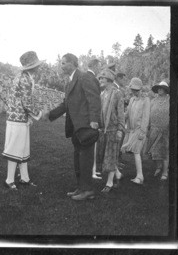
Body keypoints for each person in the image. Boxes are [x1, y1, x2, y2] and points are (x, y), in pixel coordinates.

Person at [43, 53, 101, 201]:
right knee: (78, 159)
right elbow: (65, 104)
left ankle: (88, 190)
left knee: (86, 159)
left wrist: (94, 120)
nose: (61, 66)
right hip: (75, 127)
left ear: (73, 63)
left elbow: (94, 99)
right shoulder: (69, 82)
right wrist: (50, 115)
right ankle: (81, 188)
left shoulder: (85, 77)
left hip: (86, 126)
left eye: (63, 63)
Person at [2, 51, 45, 191]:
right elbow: (26, 102)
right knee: (15, 147)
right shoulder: (24, 79)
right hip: (17, 118)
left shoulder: (25, 77)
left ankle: (24, 178)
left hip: (20, 117)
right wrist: (39, 114)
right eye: (37, 65)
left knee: (23, 148)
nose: (39, 67)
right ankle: (9, 179)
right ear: (31, 67)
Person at [95, 69, 125, 193]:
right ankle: (117, 174)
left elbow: (121, 113)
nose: (100, 81)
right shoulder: (102, 94)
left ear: (109, 80)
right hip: (103, 130)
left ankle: (109, 182)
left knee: (111, 156)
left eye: (102, 78)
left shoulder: (117, 93)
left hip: (113, 129)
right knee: (104, 155)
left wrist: (120, 129)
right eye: (100, 78)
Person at [121, 77, 150, 185]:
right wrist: (120, 118)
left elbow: (146, 117)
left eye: (136, 90)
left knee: (136, 152)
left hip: (139, 130)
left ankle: (140, 176)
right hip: (131, 130)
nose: (134, 91)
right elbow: (127, 114)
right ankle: (138, 175)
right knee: (134, 152)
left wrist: (143, 132)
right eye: (133, 89)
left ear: (140, 89)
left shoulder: (145, 100)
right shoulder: (132, 99)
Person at [146, 81, 170, 181]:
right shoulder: (153, 101)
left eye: (162, 88)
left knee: (165, 151)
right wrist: (147, 127)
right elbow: (148, 115)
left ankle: (165, 172)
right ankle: (158, 167)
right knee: (154, 150)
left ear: (166, 90)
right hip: (154, 129)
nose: (160, 89)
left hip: (166, 130)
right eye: (158, 88)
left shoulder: (170, 100)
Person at [87, 58, 102, 180]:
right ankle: (92, 171)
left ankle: (93, 170)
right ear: (95, 66)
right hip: (91, 119)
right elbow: (94, 101)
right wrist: (95, 120)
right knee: (91, 147)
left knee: (92, 147)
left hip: (89, 118)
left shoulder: (88, 77)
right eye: (99, 67)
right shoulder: (92, 79)